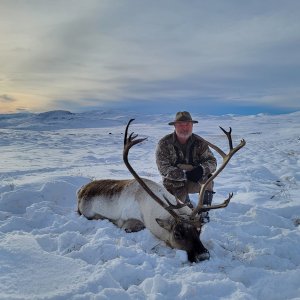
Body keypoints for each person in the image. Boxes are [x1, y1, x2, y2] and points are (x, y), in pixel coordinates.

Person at [155, 111, 217, 222]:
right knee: (179, 213)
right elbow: (163, 168)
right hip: (174, 183)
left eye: (187, 124)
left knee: (208, 181)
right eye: (180, 125)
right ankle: (186, 203)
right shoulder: (164, 143)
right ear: (174, 126)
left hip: (194, 181)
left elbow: (212, 161)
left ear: (192, 125)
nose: (185, 128)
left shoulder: (200, 142)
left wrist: (201, 169)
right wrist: (185, 174)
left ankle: (204, 212)